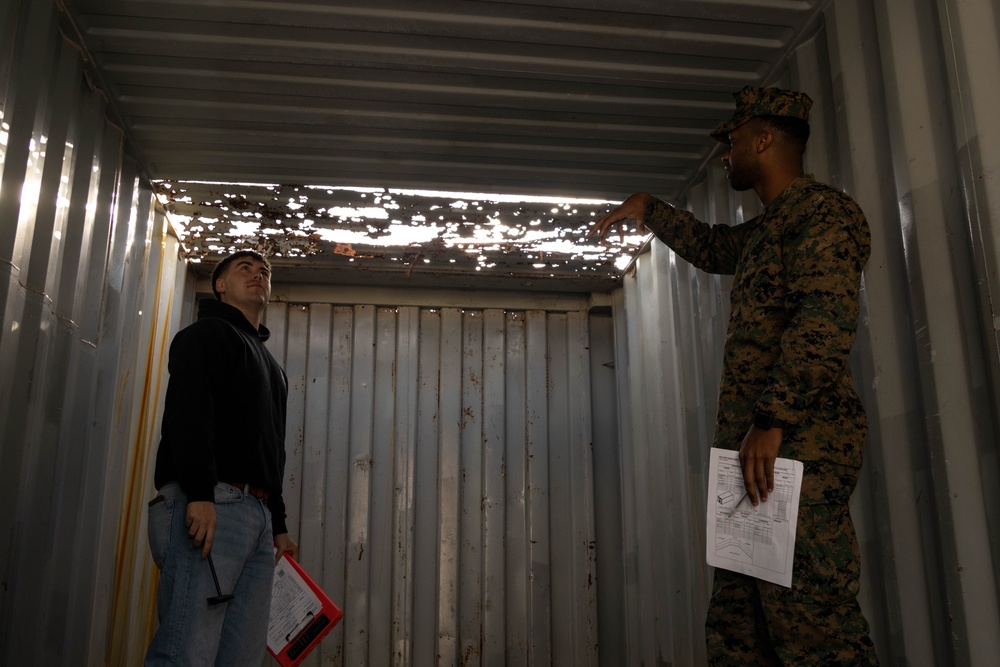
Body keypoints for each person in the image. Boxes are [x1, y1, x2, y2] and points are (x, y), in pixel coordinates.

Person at [590, 86, 879, 665]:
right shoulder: (769, 230)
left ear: (765, 138)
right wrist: (650, 208)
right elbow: (715, 246)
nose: (726, 153)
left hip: (795, 453)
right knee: (739, 630)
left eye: (734, 140)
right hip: (752, 462)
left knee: (813, 627)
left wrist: (772, 420)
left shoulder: (824, 213)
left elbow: (824, 319)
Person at [144, 250, 298, 666]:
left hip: (257, 515)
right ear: (219, 285)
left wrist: (277, 523)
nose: (257, 274)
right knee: (186, 650)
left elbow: (273, 448)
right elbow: (188, 414)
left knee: (241, 657)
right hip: (213, 504)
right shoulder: (206, 334)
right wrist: (200, 493)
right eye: (243, 268)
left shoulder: (272, 366)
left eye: (264, 270)